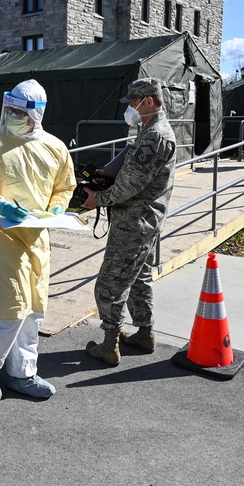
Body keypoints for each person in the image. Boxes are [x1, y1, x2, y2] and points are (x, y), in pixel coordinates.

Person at [0, 79, 75, 404]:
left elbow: (64, 186)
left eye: (18, 111)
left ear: (36, 115)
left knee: (35, 309)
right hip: (2, 233)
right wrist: (0, 206)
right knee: (10, 307)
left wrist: (57, 207)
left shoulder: (55, 147)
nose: (10, 115)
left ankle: (22, 373)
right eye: (8, 109)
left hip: (38, 236)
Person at [80, 78, 177, 366]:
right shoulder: (148, 131)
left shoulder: (154, 136)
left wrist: (96, 199)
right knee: (138, 278)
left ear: (148, 101)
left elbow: (130, 187)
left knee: (109, 284)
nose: (130, 108)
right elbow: (131, 173)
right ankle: (145, 334)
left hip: (135, 221)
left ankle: (109, 345)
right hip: (145, 220)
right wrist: (105, 175)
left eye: (133, 103)